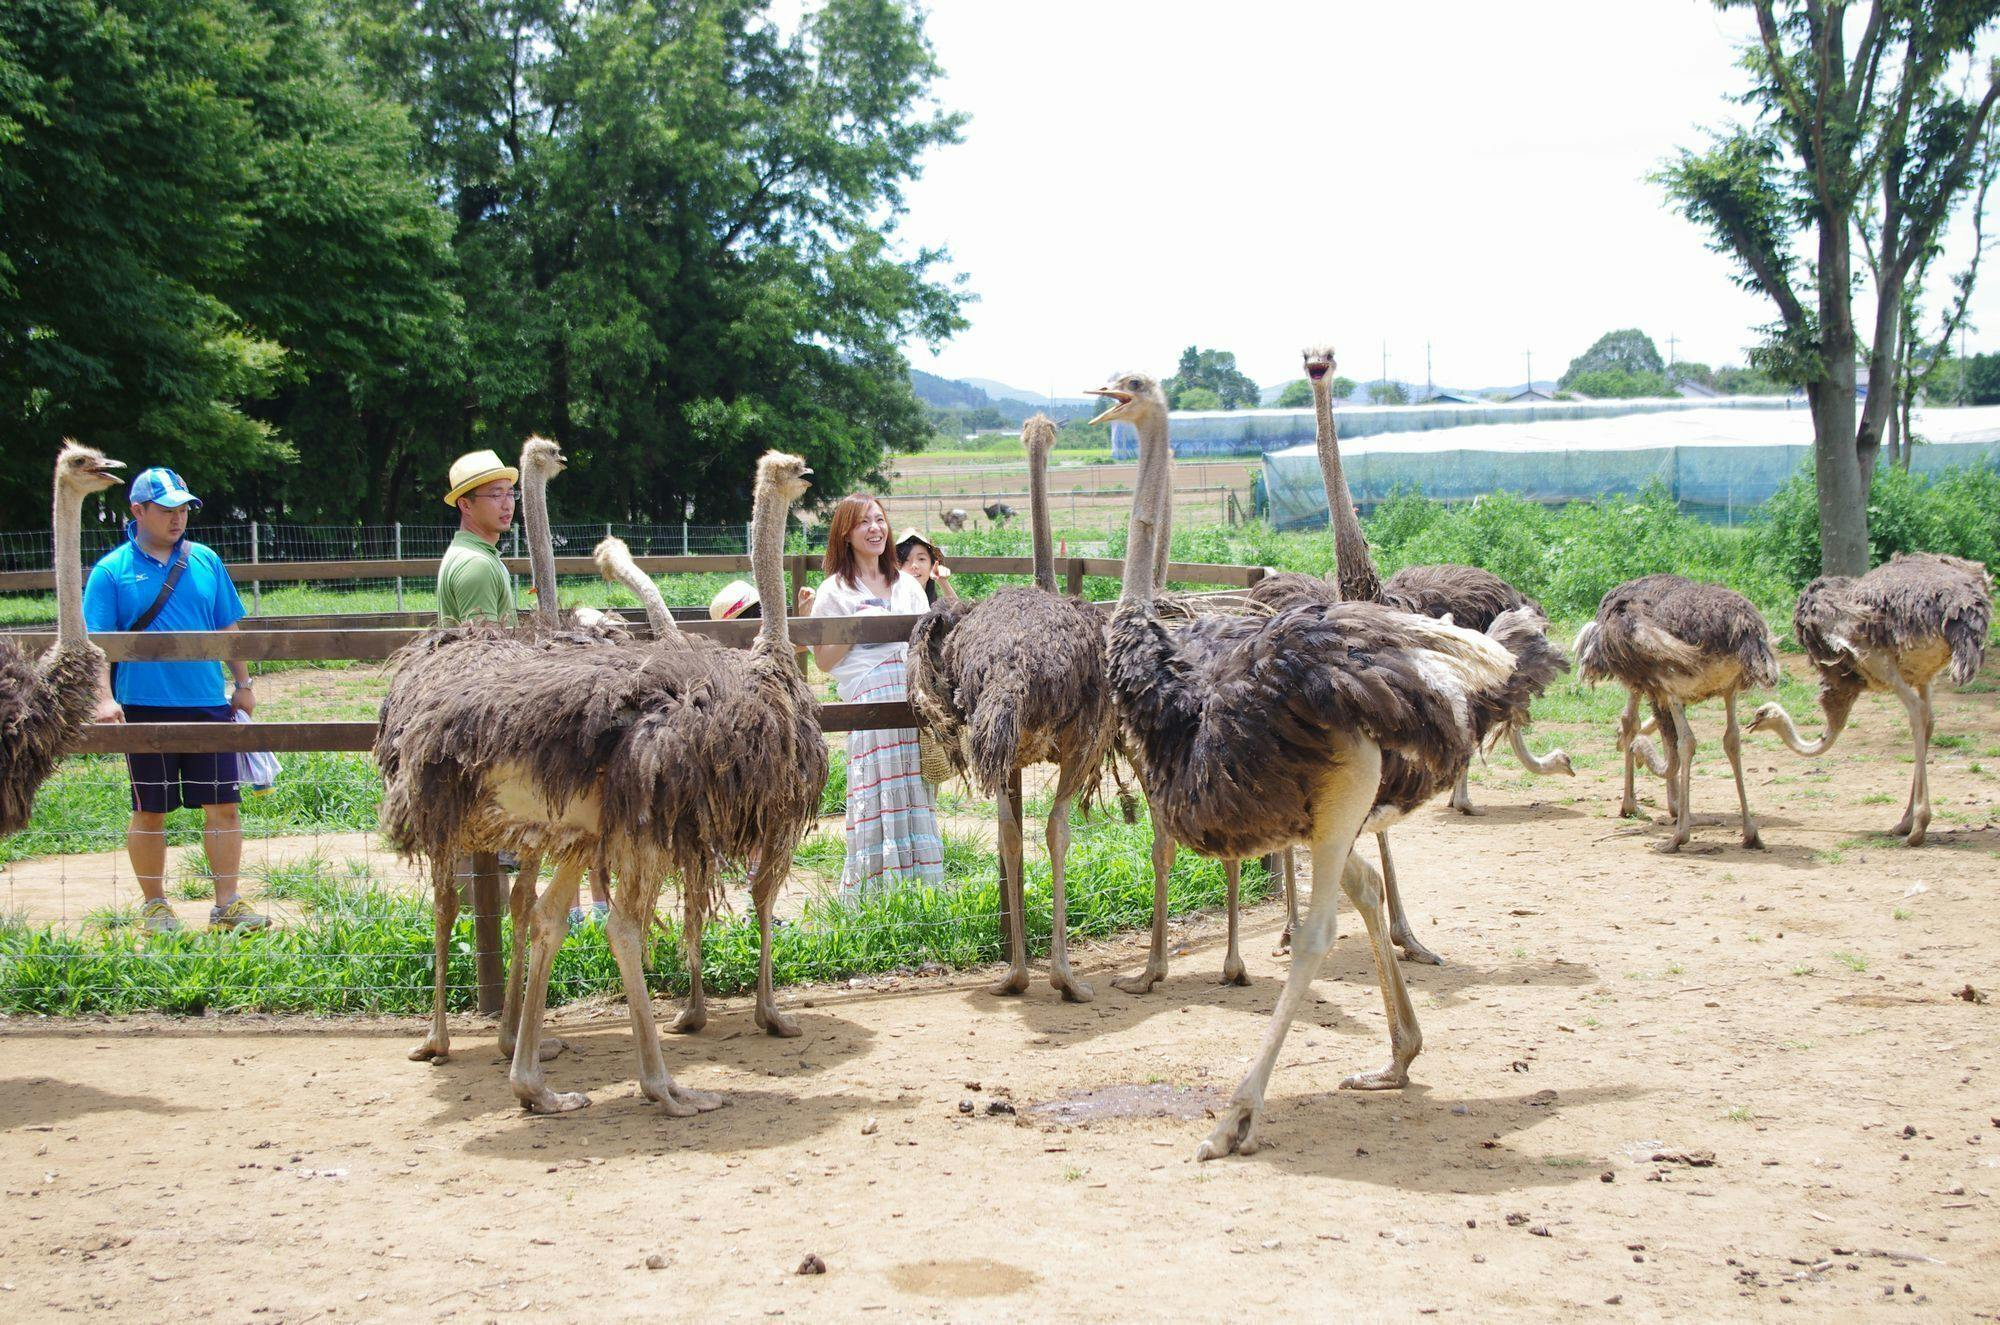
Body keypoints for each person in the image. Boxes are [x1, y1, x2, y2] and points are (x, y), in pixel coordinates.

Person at [83, 467, 267, 933]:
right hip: (143, 707)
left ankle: (228, 902)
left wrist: (242, 683)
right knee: (150, 809)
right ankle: (155, 906)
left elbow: (227, 626)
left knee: (223, 806)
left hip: (208, 703)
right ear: (137, 511)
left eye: (183, 509)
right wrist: (104, 700)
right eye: (167, 509)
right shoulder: (111, 572)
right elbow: (94, 646)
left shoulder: (205, 560)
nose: (178, 517)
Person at [436, 449, 612, 923]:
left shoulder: (479, 558)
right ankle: (494, 933)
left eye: (508, 492)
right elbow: (483, 655)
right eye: (493, 495)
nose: (505, 502)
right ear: (465, 506)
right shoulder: (475, 566)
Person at [796, 495, 943, 892]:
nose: (875, 528)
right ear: (846, 532)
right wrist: (855, 626)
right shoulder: (835, 590)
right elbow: (824, 662)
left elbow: (922, 644)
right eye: (864, 522)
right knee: (877, 792)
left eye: (879, 520)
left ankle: (920, 890)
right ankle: (876, 891)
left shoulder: (906, 586)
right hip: (869, 700)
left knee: (916, 790)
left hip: (909, 699)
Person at [894, 528, 957, 605]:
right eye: (906, 560)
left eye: (921, 559)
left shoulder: (938, 606)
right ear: (896, 566)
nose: (914, 565)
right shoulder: (888, 603)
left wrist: (942, 581)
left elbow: (959, 613)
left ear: (932, 564)